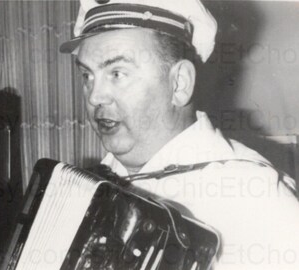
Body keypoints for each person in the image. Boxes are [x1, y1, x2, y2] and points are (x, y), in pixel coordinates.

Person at [60, 0, 299, 269]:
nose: (95, 96)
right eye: (87, 75)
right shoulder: (90, 185)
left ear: (179, 84)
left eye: (117, 73)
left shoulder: (255, 200)